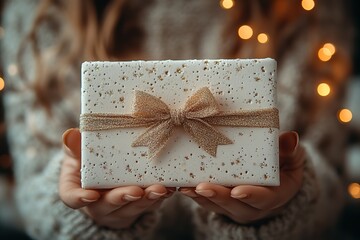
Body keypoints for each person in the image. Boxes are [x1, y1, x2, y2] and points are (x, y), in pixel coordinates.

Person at [0, 0, 354, 239]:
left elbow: (333, 185)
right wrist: (80, 208)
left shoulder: (308, 12)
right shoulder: (39, 14)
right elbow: (31, 197)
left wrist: (292, 202)